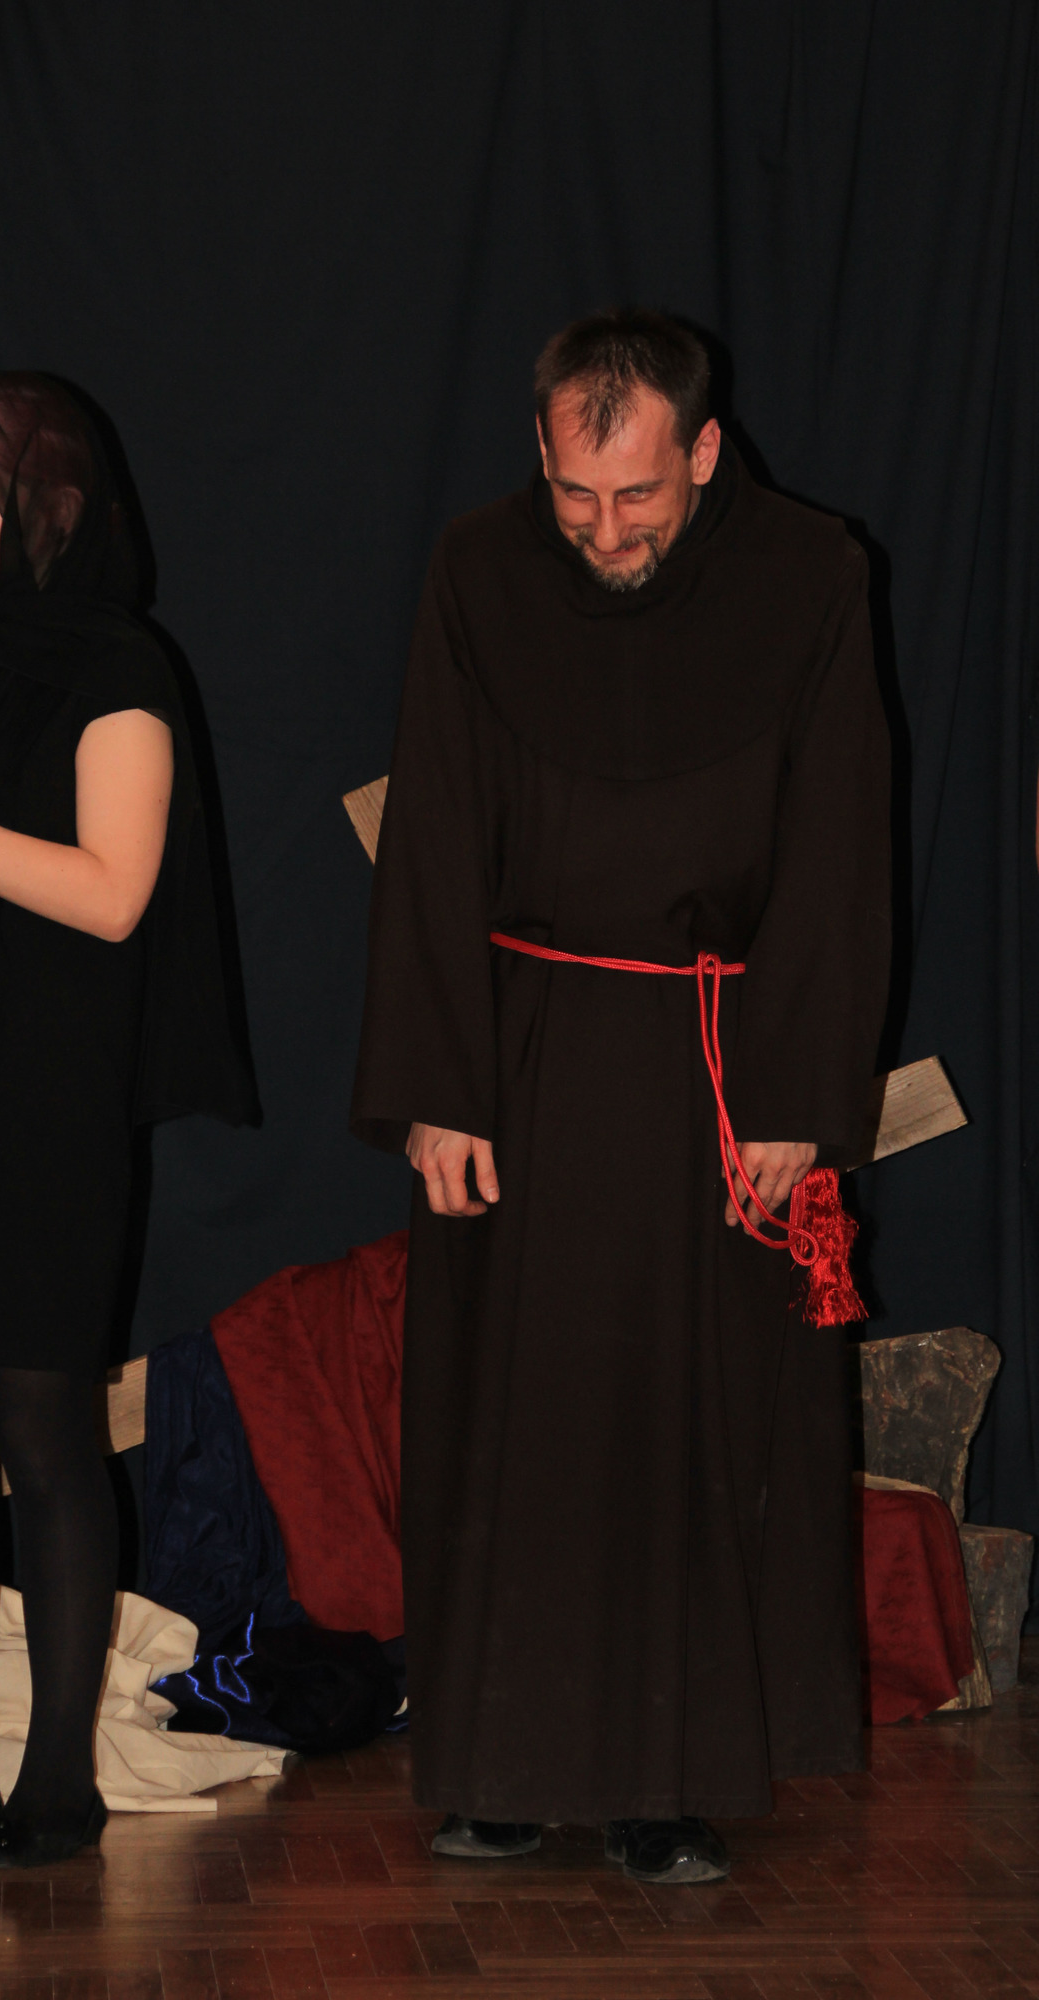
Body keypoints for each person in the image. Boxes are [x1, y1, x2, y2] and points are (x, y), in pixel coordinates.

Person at [352, 311, 890, 1884]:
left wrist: (795, 1091)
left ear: (704, 453)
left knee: (686, 1421)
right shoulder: (479, 568)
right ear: (540, 451)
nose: (602, 531)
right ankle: (500, 1766)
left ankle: (670, 1781)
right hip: (516, 1060)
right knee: (509, 1423)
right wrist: (437, 1086)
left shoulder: (812, 576)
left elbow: (842, 842)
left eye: (638, 496)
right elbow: (435, 825)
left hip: (716, 1065)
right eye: (575, 495)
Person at [0, 374, 254, 1867]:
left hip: (46, 1106)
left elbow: (111, 899)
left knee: (43, 1429)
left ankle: (56, 1781)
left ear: (52, 507)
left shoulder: (120, 669)